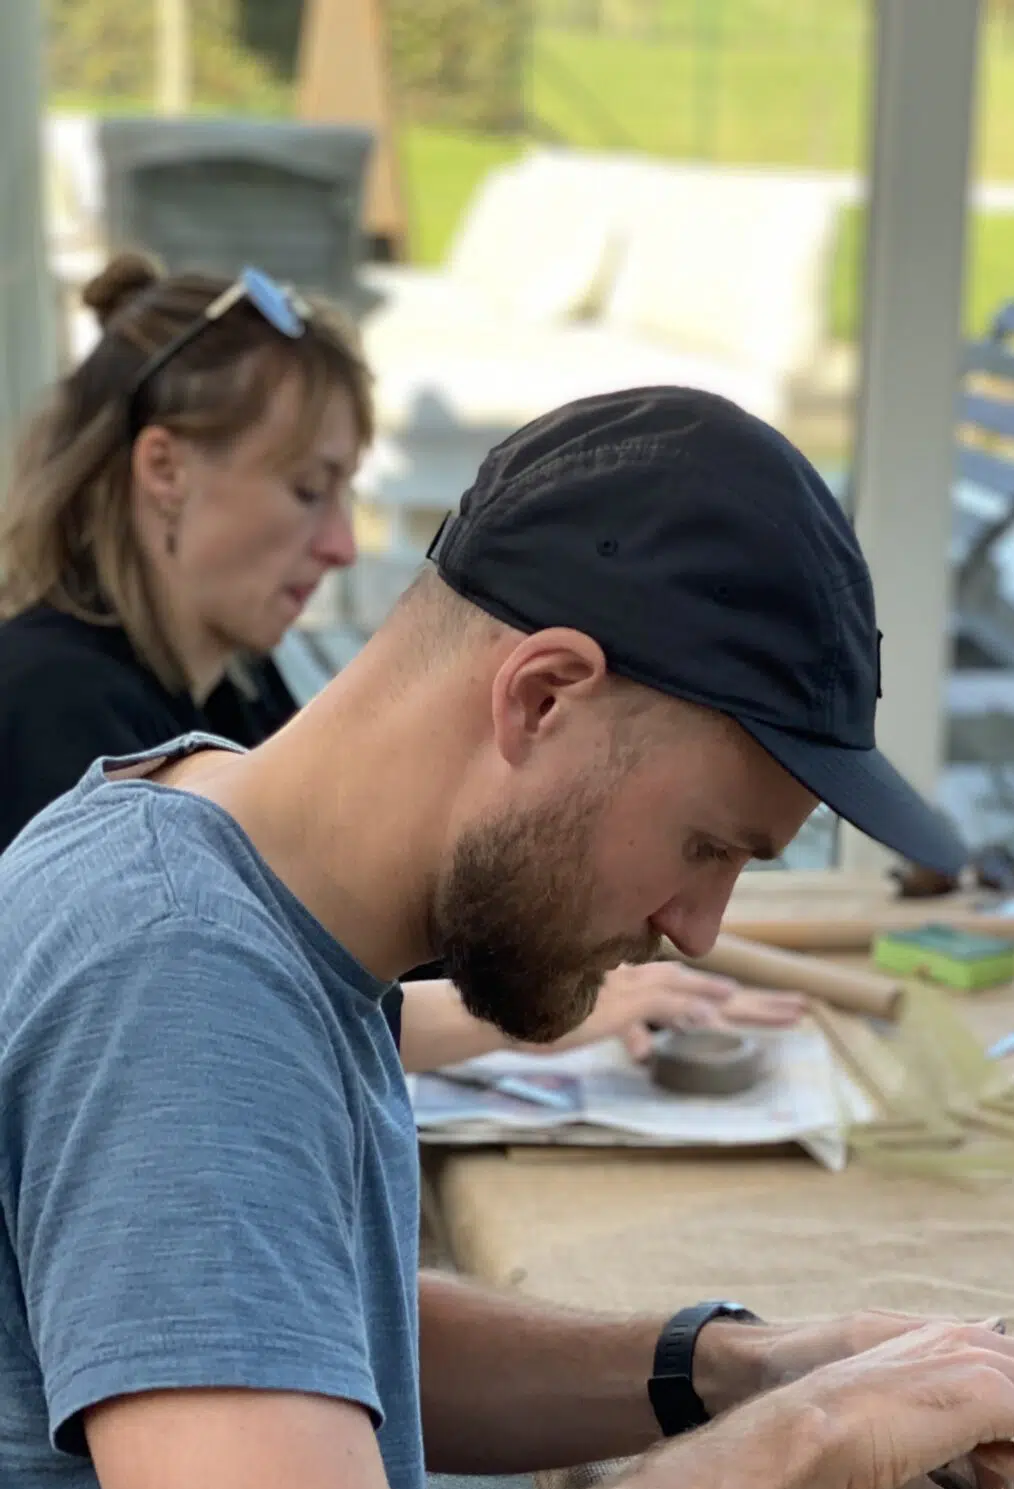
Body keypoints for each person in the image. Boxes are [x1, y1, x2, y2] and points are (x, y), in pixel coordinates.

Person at [0, 382, 1014, 1489]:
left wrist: (739, 1366)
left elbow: (298, 1332)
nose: (700, 926)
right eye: (706, 843)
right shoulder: (180, 991)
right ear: (540, 693)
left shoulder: (206, 852)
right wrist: (806, 1441)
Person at [0, 252, 801, 1069]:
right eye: (308, 489)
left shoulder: (232, 689)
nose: (342, 546)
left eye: (347, 493)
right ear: (164, 469)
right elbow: (222, 1002)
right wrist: (565, 1006)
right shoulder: (50, 705)